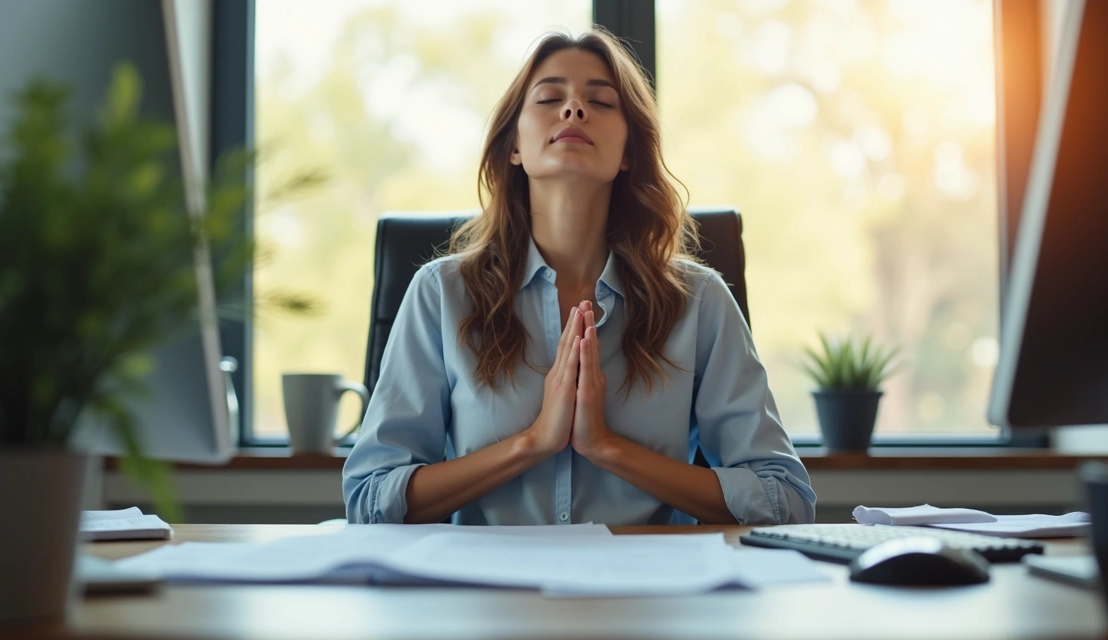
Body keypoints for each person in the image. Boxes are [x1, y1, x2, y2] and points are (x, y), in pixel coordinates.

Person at [342, 29, 815, 526]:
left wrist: (608, 448)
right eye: (549, 98)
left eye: (601, 102)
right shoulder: (441, 294)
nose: (573, 110)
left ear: (629, 152)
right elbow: (372, 498)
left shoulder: (699, 301)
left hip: (653, 595)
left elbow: (784, 498)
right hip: (485, 597)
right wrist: (533, 442)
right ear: (514, 147)